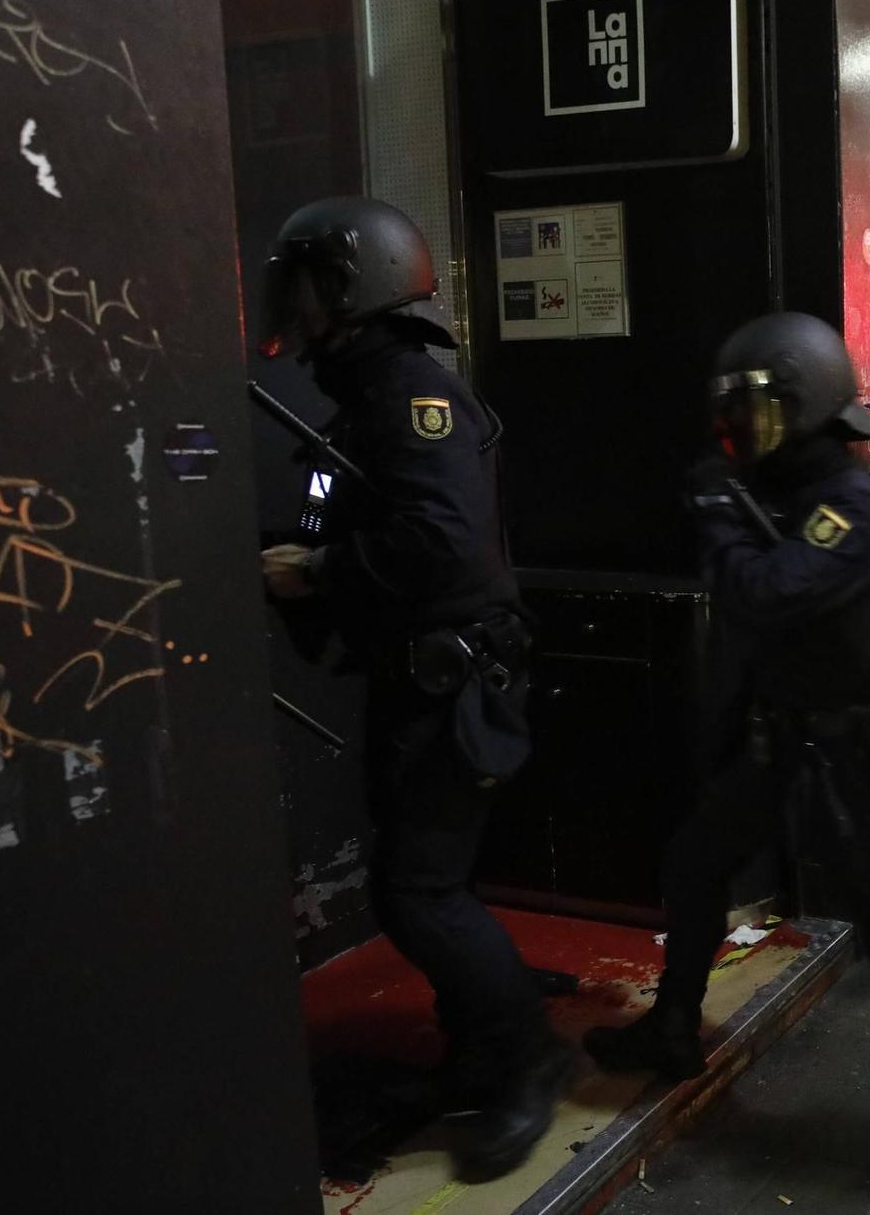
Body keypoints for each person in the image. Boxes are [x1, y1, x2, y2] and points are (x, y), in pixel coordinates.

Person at [584, 314, 870, 1163]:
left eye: (761, 411)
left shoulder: (848, 499)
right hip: (783, 736)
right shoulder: (777, 489)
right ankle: (676, 1023)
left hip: (858, 751)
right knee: (695, 864)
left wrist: (719, 518)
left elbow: (767, 591)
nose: (743, 430)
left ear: (805, 408)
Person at [257, 197, 567, 1179]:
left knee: (419, 892)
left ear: (352, 287)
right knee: (422, 880)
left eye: (306, 283)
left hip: (454, 681)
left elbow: (439, 543)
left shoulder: (407, 395)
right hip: (426, 679)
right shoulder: (375, 391)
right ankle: (479, 1057)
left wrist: (318, 572)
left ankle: (527, 1062)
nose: (293, 305)